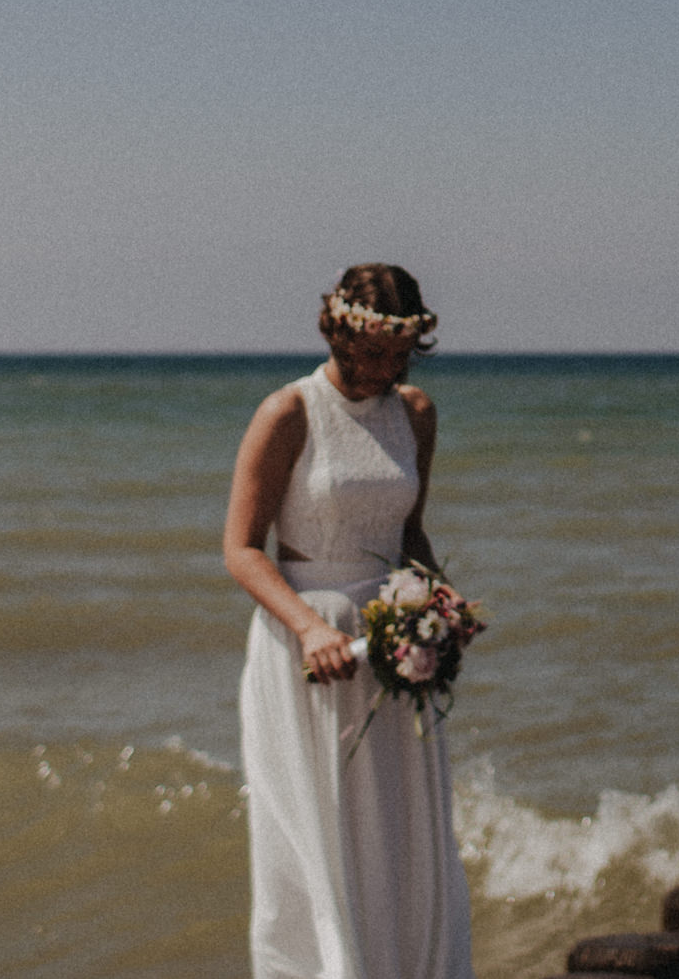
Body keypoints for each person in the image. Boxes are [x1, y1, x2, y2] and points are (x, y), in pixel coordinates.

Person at [225, 263, 475, 979]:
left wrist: (442, 603)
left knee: (399, 831)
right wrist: (309, 627)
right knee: (321, 832)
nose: (382, 370)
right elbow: (241, 548)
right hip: (312, 647)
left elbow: (410, 532)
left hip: (396, 649)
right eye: (368, 353)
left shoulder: (415, 411)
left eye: (396, 356)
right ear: (334, 331)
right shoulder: (288, 411)